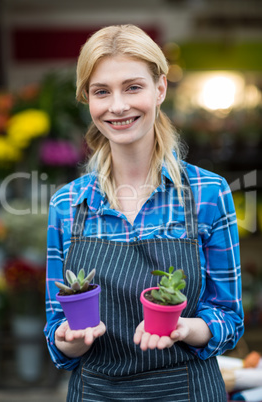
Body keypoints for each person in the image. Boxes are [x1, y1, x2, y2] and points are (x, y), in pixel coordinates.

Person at [44, 24, 244, 401]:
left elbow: (228, 318)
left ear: (160, 88)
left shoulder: (208, 194)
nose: (118, 106)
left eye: (133, 87)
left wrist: (185, 329)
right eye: (102, 91)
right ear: (88, 99)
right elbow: (57, 327)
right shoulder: (68, 205)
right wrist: (70, 340)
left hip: (187, 391)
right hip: (96, 393)